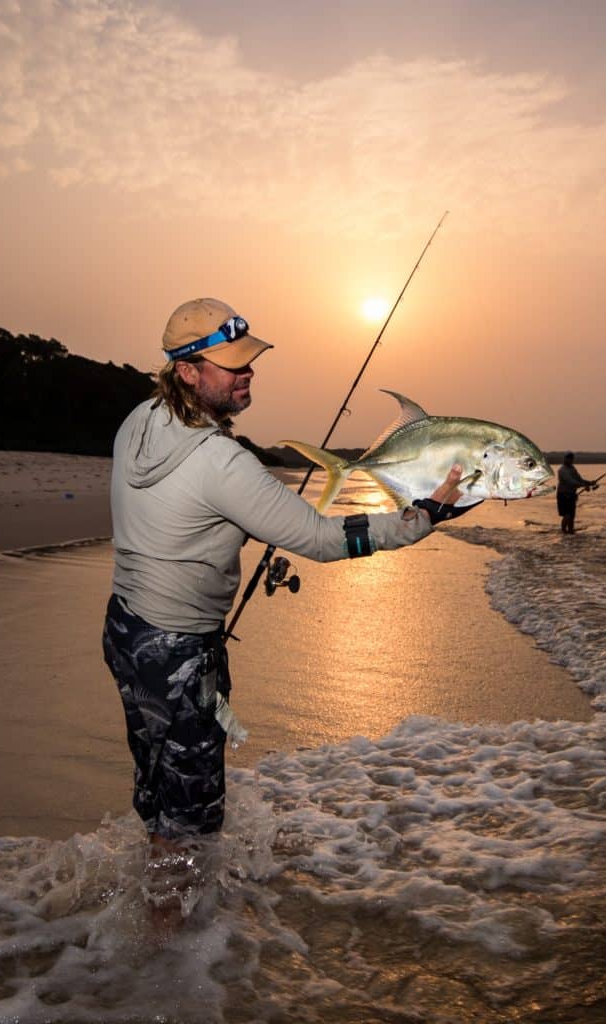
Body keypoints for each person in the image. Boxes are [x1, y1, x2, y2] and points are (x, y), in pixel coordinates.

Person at [103, 296, 476, 866]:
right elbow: (323, 539)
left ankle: (153, 876)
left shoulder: (140, 420)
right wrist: (422, 517)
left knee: (161, 779)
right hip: (178, 650)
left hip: (127, 631)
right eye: (232, 363)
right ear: (186, 370)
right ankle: (169, 944)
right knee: (192, 827)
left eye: (249, 358)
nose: (248, 370)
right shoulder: (222, 464)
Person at [556, 451, 598, 534]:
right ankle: (564, 532)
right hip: (563, 495)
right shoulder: (562, 470)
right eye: (568, 459)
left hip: (572, 495)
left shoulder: (572, 468)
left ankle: (571, 531)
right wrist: (583, 486)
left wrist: (589, 483)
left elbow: (579, 479)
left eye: (571, 459)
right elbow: (570, 482)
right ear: (565, 459)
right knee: (567, 515)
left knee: (572, 516)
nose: (570, 461)